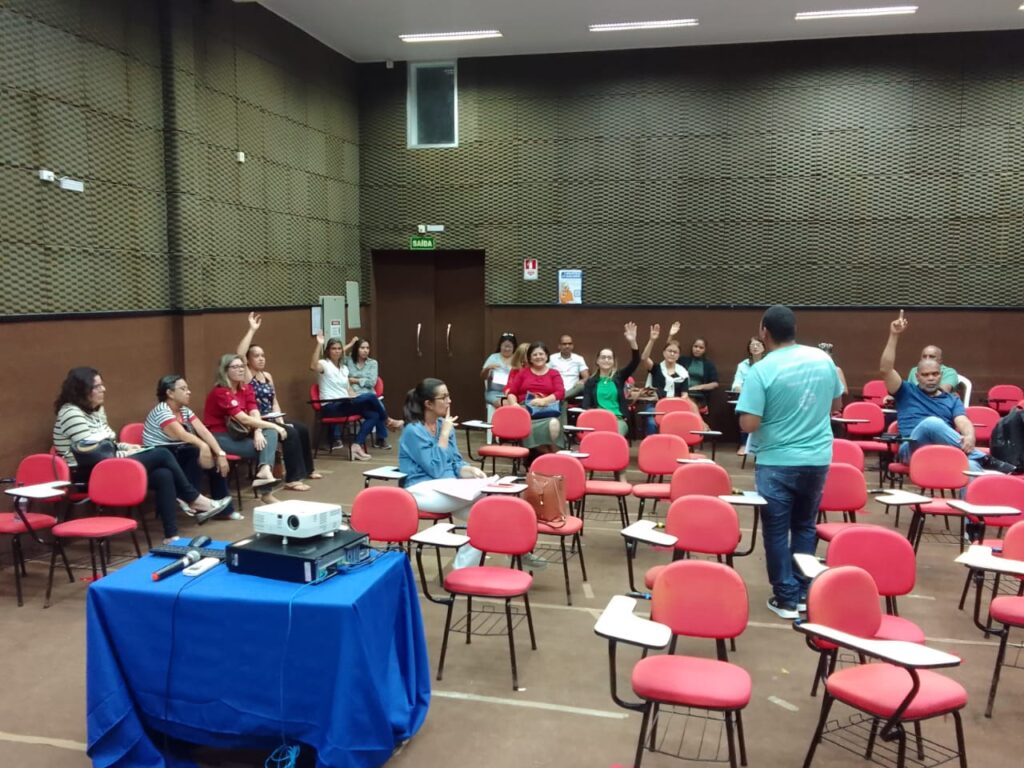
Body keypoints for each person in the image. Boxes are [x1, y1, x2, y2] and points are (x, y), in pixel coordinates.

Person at [736, 306, 843, 620]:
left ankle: (785, 598)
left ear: (764, 332)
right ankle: (803, 591)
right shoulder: (823, 360)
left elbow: (749, 424)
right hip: (818, 458)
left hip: (777, 461)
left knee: (776, 530)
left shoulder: (761, 370)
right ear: (794, 329)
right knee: (805, 525)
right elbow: (836, 404)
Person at [53, 367, 231, 543]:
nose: (104, 389)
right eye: (97, 386)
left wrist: (130, 447)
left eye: (102, 385)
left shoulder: (96, 410)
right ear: (82, 389)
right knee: (162, 454)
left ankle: (171, 536)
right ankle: (194, 499)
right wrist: (125, 452)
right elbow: (93, 453)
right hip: (89, 472)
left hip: (109, 464)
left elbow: (109, 443)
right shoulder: (70, 413)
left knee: (164, 475)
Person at [398, 378, 547, 571]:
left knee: (488, 513)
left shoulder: (444, 425)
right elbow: (435, 469)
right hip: (421, 490)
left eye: (449, 396)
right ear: (428, 404)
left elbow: (455, 462)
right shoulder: (414, 430)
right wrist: (444, 434)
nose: (449, 401)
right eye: (444, 397)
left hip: (449, 489)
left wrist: (469, 471)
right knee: (490, 500)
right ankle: (517, 549)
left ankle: (462, 570)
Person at [880, 311, 984, 473]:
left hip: (944, 450)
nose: (931, 378)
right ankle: (981, 456)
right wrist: (894, 335)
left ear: (941, 375)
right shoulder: (905, 391)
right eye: (926, 375)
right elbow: (886, 370)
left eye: (935, 374)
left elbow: (963, 422)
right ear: (917, 376)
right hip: (912, 450)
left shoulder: (952, 399)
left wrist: (970, 436)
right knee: (931, 423)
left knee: (971, 467)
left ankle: (977, 463)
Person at [237, 312, 322, 489]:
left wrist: (281, 421)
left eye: (263, 355)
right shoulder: (247, 376)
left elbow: (274, 401)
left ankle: (308, 469)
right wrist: (252, 330)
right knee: (291, 434)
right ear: (249, 360)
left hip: (272, 418)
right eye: (256, 356)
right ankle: (292, 479)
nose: (261, 358)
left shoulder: (267, 376)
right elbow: (239, 354)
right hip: (257, 421)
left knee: (301, 429)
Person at [142, 375, 238, 521]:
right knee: (195, 452)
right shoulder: (162, 411)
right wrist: (203, 445)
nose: (189, 392)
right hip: (160, 456)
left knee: (216, 463)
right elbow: (182, 434)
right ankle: (192, 499)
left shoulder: (184, 410)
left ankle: (224, 511)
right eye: (183, 389)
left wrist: (220, 454)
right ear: (170, 393)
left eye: (188, 388)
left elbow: (204, 431)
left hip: (177, 451)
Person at [203, 353, 286, 505]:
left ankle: (264, 472)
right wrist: (274, 425)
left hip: (239, 434)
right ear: (225, 370)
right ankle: (266, 491)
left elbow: (254, 412)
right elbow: (243, 418)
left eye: (242, 366)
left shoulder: (246, 388)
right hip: (219, 437)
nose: (240, 370)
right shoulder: (220, 392)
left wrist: (258, 431)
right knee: (265, 448)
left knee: (269, 434)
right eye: (235, 367)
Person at [310, 334, 401, 460]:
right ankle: (388, 421)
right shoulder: (324, 364)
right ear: (328, 351)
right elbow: (313, 366)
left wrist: (357, 399)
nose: (337, 351)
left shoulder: (344, 369)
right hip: (331, 406)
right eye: (333, 349)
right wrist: (319, 344)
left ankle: (356, 446)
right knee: (370, 396)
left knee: (373, 415)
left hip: (345, 404)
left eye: (339, 349)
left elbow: (349, 390)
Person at [582, 322, 644, 437]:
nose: (606, 360)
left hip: (618, 420)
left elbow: (636, 361)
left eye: (609, 358)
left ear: (613, 361)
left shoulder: (619, 377)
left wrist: (632, 341)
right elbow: (586, 405)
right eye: (603, 357)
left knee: (614, 437)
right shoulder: (591, 382)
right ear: (597, 361)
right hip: (599, 419)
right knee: (598, 438)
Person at [503, 341, 565, 454]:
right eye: (535, 355)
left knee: (553, 424)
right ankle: (547, 455)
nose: (538, 357)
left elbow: (560, 393)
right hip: (526, 410)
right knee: (525, 424)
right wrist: (514, 404)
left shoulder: (554, 373)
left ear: (546, 356)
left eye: (541, 354)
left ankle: (551, 455)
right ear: (530, 358)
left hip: (547, 410)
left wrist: (543, 401)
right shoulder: (523, 373)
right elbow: (512, 392)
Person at [348, 336, 402, 449]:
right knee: (377, 406)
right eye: (362, 348)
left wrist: (354, 380)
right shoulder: (348, 361)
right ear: (356, 349)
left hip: (369, 394)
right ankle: (387, 423)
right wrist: (351, 344)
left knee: (376, 404)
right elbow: (335, 355)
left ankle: (380, 439)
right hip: (355, 395)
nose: (365, 350)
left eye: (367, 348)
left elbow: (372, 382)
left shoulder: (373, 363)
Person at [641, 321, 689, 435]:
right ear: (664, 353)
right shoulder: (656, 368)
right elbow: (644, 358)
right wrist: (652, 340)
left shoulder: (683, 373)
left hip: (675, 408)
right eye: (669, 351)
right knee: (652, 423)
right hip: (655, 406)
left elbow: (684, 395)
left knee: (678, 424)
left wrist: (675, 405)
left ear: (678, 355)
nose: (672, 354)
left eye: (675, 352)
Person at [731, 336, 765, 455]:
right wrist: (747, 392)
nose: (755, 347)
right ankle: (744, 444)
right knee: (745, 410)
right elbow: (736, 385)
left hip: (765, 398)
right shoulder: (743, 365)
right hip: (748, 398)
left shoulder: (769, 363)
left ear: (764, 348)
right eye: (752, 345)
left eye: (758, 345)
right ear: (749, 349)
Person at [481, 332, 517, 442]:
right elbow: (482, 376)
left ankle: (509, 432)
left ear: (514, 347)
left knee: (514, 403)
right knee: (506, 404)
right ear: (500, 346)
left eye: (509, 346)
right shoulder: (494, 357)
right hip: (494, 392)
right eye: (504, 346)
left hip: (511, 393)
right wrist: (488, 368)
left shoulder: (516, 359)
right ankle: (504, 433)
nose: (506, 349)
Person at [677, 335, 719, 412]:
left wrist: (700, 387)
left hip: (698, 396)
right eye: (695, 346)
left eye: (701, 348)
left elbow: (715, 384)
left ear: (705, 350)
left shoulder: (708, 364)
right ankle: (698, 420)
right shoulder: (683, 360)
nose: (697, 349)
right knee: (686, 402)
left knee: (688, 404)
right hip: (682, 393)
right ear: (692, 347)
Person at [549, 334, 589, 401]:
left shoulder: (579, 358)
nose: (567, 346)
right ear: (559, 346)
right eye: (564, 344)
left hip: (573, 390)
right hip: (557, 389)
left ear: (572, 346)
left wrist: (582, 381)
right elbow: (545, 373)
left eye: (570, 344)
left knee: (581, 386)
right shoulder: (552, 358)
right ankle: (562, 397)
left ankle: (561, 397)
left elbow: (586, 377)